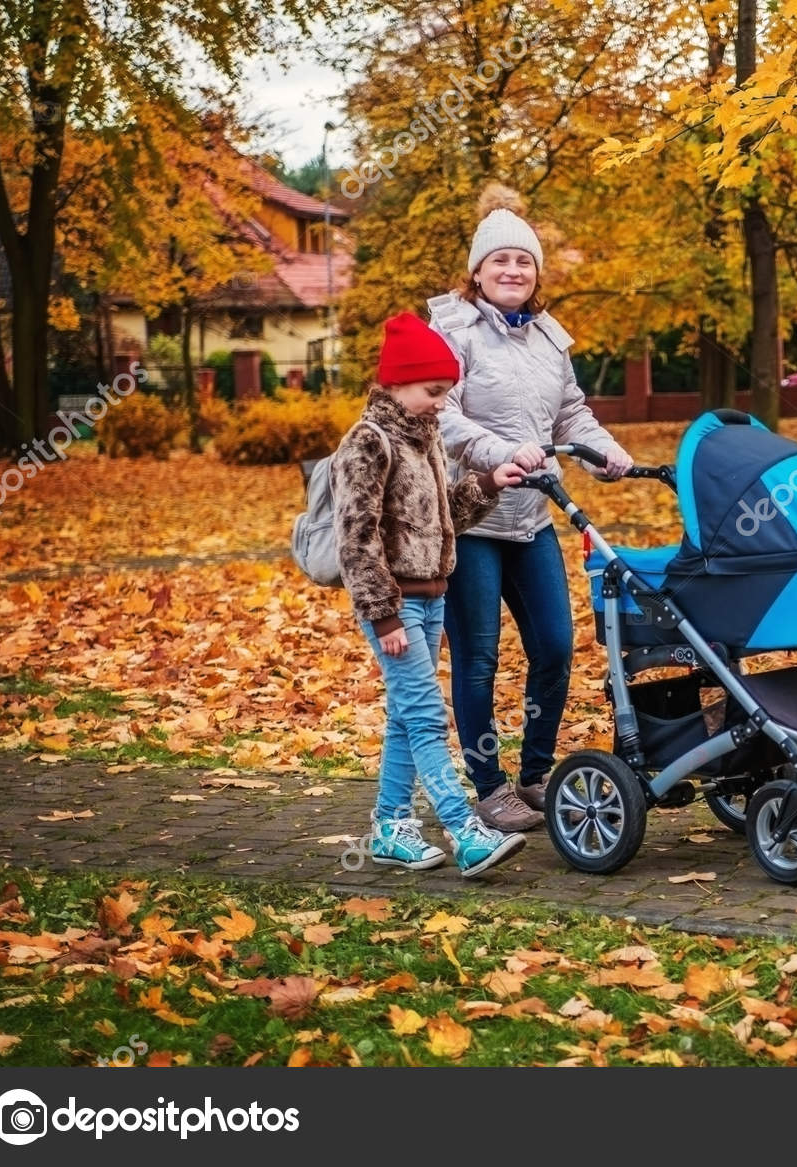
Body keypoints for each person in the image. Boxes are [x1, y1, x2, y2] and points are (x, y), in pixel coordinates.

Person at [428, 185, 634, 833]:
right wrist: (498, 454)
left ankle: (536, 773)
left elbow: (572, 411)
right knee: (479, 655)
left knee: (554, 645)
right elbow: (441, 413)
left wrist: (607, 451)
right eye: (500, 261)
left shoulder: (549, 337)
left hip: (534, 514)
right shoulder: (452, 331)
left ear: (536, 272)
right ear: (477, 271)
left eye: (524, 261)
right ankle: (488, 786)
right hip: (472, 515)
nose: (512, 271)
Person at [334, 311, 529, 876]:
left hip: (432, 595)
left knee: (404, 715)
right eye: (433, 391)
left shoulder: (426, 439)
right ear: (395, 383)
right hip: (393, 605)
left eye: (447, 392)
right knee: (424, 715)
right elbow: (356, 537)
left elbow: (446, 517)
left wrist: (489, 483)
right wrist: (385, 616)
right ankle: (465, 829)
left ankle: (392, 826)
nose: (442, 402)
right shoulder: (368, 443)